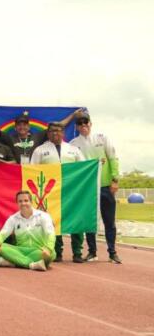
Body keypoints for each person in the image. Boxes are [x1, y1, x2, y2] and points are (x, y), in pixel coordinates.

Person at [69, 112, 121, 263]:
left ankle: (112, 252)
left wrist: (115, 180)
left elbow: (113, 158)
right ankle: (92, 252)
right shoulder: (73, 144)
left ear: (90, 124)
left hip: (105, 186)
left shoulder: (102, 138)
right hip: (87, 188)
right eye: (80, 124)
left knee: (109, 221)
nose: (83, 126)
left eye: (86, 123)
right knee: (90, 220)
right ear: (76, 127)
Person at [31, 121, 86, 263]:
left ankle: (77, 252)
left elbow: (84, 168)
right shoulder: (40, 150)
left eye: (58, 130)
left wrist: (97, 164)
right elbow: (32, 170)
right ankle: (57, 251)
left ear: (63, 133)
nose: (56, 133)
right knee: (53, 221)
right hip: (51, 192)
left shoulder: (74, 149)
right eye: (52, 131)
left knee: (76, 220)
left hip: (73, 191)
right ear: (48, 133)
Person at [0, 106, 83, 164]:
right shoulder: (10, 138)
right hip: (15, 172)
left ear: (29, 127)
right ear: (15, 128)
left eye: (25, 125)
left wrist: (73, 115)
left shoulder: (37, 136)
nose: (22, 127)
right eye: (19, 125)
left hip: (32, 170)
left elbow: (58, 127)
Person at [0, 191, 55, 271]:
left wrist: (48, 249)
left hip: (38, 250)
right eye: (20, 201)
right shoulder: (13, 218)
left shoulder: (43, 216)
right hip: (20, 251)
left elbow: (50, 234)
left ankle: (15, 262)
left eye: (26, 201)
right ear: (17, 203)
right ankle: (32, 265)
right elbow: (3, 233)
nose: (23, 203)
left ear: (31, 202)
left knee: (51, 254)